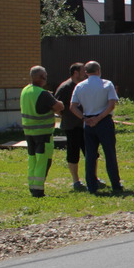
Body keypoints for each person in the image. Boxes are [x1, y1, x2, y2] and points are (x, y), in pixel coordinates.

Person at [70, 60, 123, 194]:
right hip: (104, 121)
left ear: (86, 72)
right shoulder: (107, 84)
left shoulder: (80, 86)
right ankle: (115, 184)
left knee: (90, 155)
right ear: (99, 71)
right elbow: (111, 104)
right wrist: (99, 118)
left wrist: (84, 118)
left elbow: (72, 106)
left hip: (88, 122)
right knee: (110, 153)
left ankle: (91, 186)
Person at [20, 66, 63, 198]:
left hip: (29, 132)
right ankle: (38, 190)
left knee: (32, 160)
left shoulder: (25, 90)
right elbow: (59, 108)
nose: (46, 78)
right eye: (45, 76)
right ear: (41, 77)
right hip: (43, 133)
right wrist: (56, 100)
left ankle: (32, 186)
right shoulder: (43, 94)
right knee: (43, 161)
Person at [53, 62, 88, 191]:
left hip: (85, 125)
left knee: (91, 153)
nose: (85, 73)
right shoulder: (65, 87)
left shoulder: (84, 85)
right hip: (72, 126)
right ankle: (76, 181)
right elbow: (56, 106)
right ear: (75, 73)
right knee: (73, 154)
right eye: (83, 71)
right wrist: (66, 115)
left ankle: (93, 177)